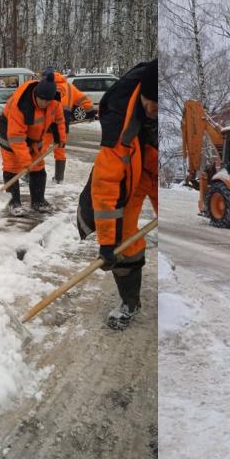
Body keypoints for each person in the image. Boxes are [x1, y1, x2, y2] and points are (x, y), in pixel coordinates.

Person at [77, 58, 158, 330]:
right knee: (124, 239)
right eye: (151, 105)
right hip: (133, 175)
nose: (154, 113)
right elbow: (106, 185)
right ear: (142, 95)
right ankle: (130, 301)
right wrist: (107, 243)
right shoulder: (119, 118)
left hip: (156, 170)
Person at [0, 71, 66, 215]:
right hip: (10, 131)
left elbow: (59, 121)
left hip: (35, 135)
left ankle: (38, 201)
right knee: (12, 165)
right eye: (44, 101)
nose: (46, 104)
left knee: (38, 166)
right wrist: (25, 161)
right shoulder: (21, 105)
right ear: (36, 95)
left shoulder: (54, 102)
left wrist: (61, 138)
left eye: (49, 101)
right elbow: (16, 137)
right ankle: (13, 202)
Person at [43, 69, 93, 184]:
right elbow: (86, 102)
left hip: (47, 122)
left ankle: (31, 174)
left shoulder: (47, 86)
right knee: (60, 150)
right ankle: (59, 179)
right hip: (63, 122)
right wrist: (90, 112)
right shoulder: (70, 88)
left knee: (40, 148)